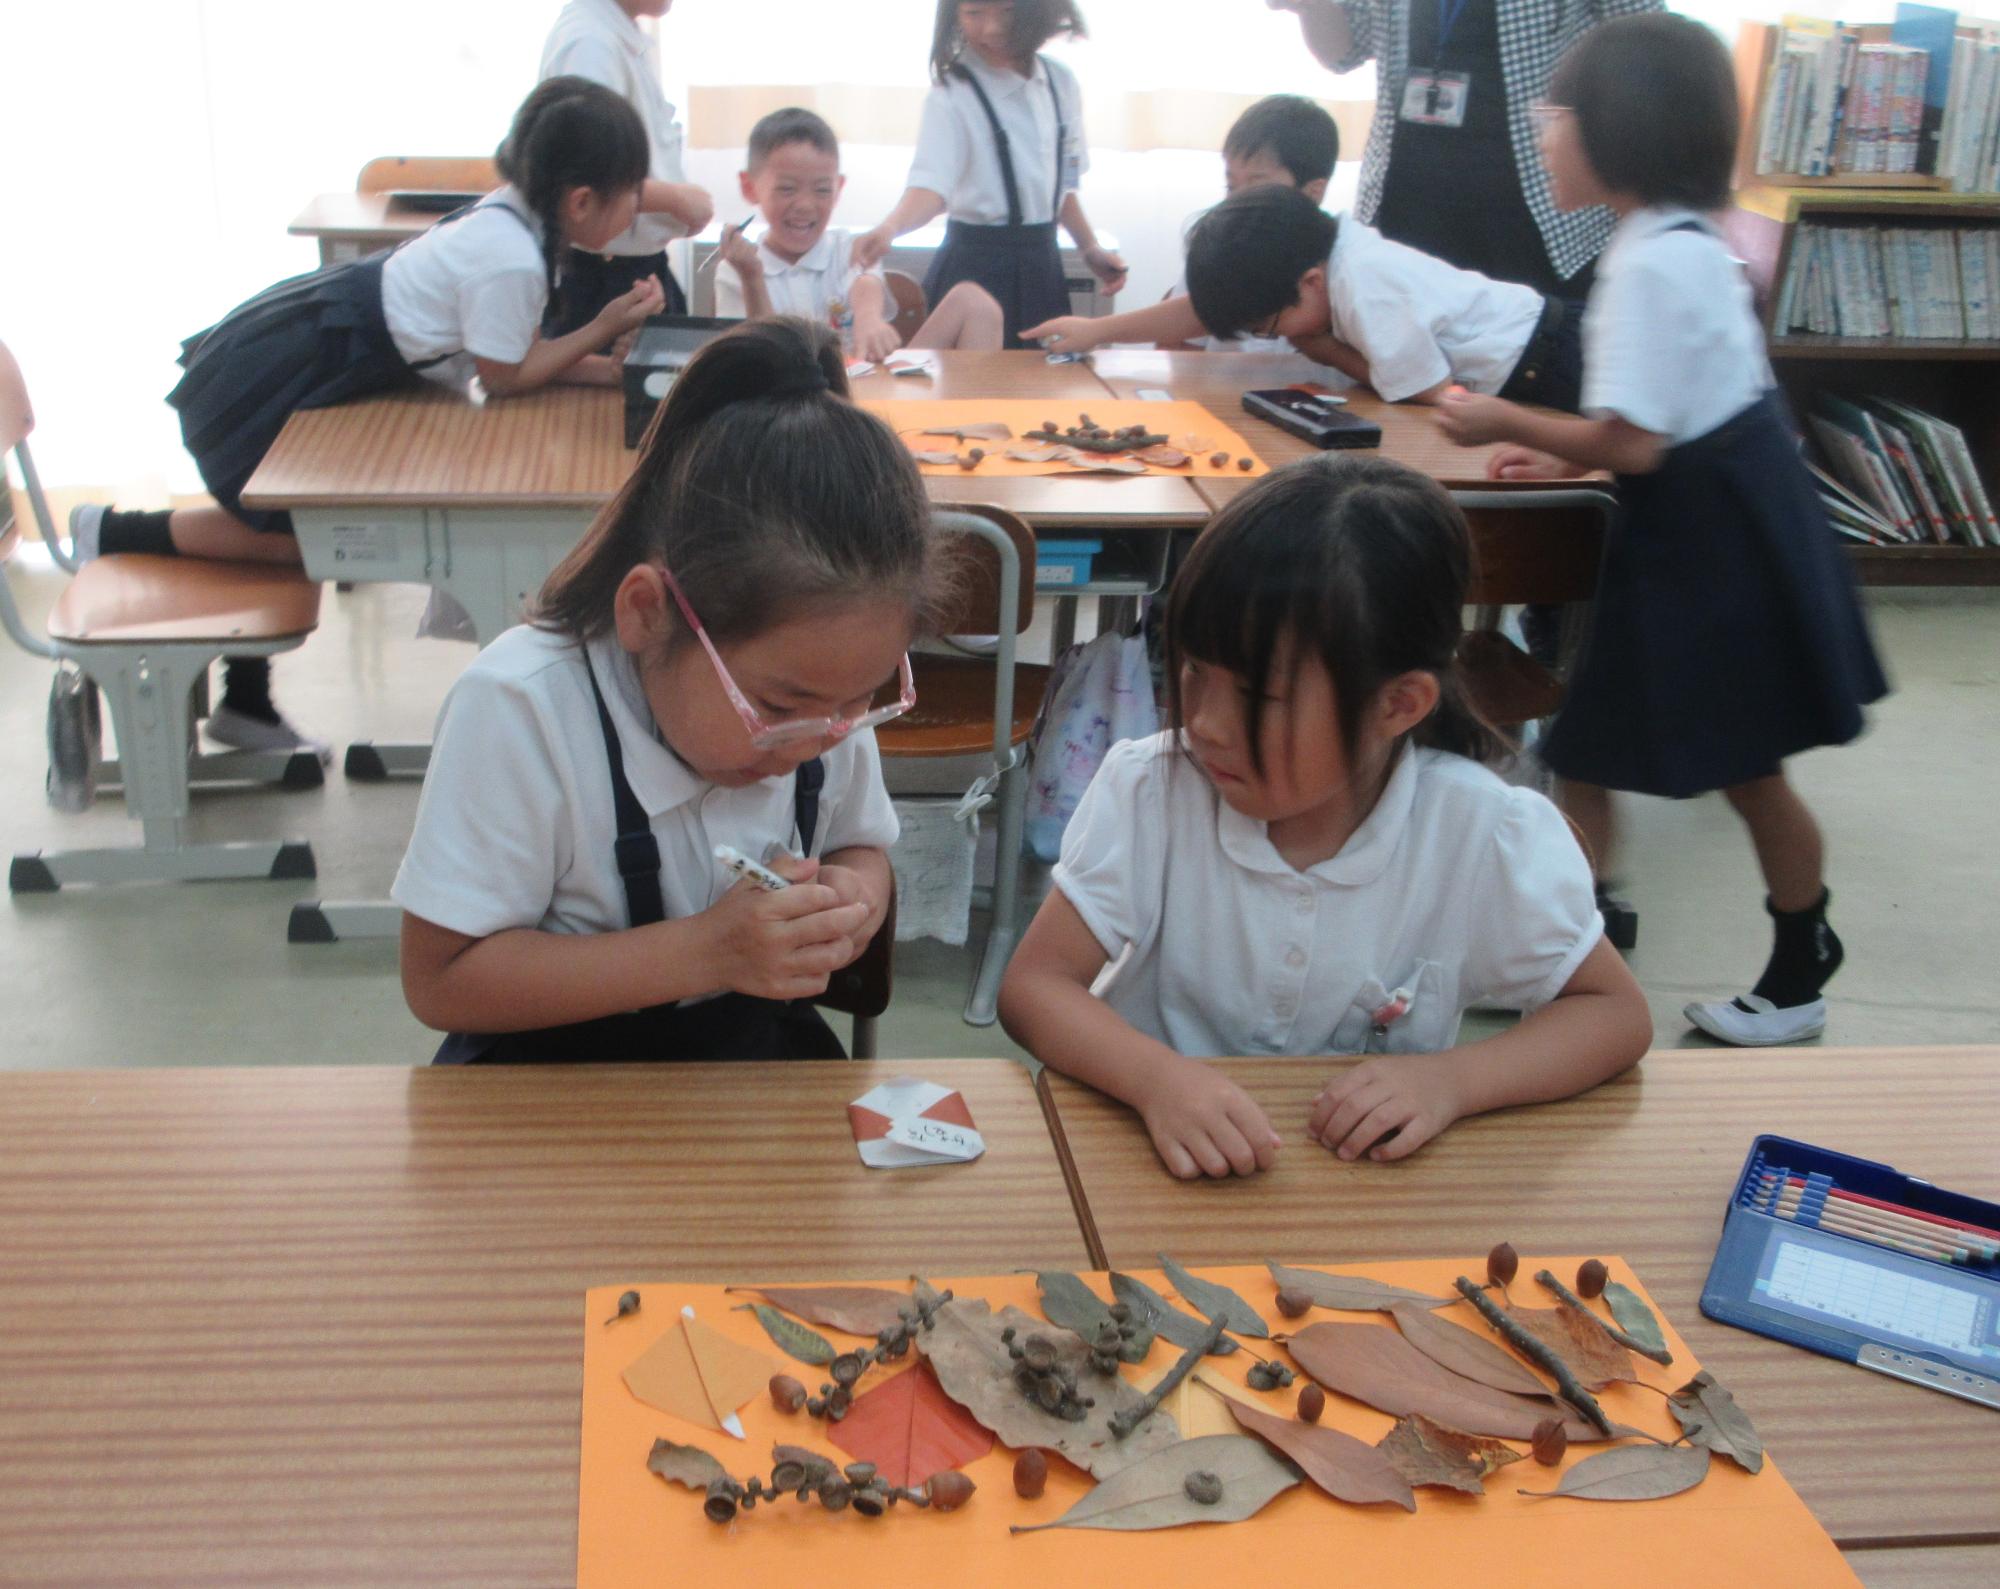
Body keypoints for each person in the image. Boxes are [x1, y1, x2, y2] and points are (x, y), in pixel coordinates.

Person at [997, 454, 1651, 1180]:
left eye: (1258, 696)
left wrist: (1452, 1082)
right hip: (1152, 1170)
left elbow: (1614, 1015)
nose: (1206, 723)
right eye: (1193, 670)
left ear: (1397, 704)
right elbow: (1034, 987)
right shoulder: (1153, 790)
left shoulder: (1481, 832)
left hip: (1366, 1190)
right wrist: (1158, 1079)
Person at [1436, 14, 1888, 1047]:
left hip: (1706, 544)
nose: (1542, 137)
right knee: (1663, 760)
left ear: (1618, 132)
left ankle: (1734, 965)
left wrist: (1503, 418)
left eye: (1556, 118)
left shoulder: (1645, 260)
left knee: (1642, 758)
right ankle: (1668, 955)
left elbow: (1635, 441)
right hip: (1729, 520)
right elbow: (1659, 414)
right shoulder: (1677, 241)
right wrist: (1559, 452)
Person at [395, 318, 950, 1064]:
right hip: (540, 1084)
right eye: (779, 709)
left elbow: (860, 844)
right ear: (647, 613)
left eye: (859, 701)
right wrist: (707, 953)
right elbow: (441, 981)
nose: (820, 739)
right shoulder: (523, 708)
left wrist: (852, 899)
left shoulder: (824, 694)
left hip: (747, 1059)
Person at [68, 78, 661, 759]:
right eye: (632, 197)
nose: (636, 212)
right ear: (581, 201)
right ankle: (113, 535)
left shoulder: (510, 221)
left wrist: (604, 369)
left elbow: (509, 356)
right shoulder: (511, 260)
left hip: (324, 349)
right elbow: (502, 380)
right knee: (300, 535)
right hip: (293, 368)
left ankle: (243, 701)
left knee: (294, 529)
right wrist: (603, 329)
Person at [1264, 0, 1662, 297]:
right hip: (1406, 202)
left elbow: (1648, 42)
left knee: (1530, 379)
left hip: (1537, 212)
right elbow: (1343, 52)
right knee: (1398, 380)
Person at [1113, 183, 1582, 411]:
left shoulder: (1364, 288)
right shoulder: (1330, 254)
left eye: (1269, 329)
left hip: (1555, 361)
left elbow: (1429, 389)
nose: (1278, 338)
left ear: (1311, 283)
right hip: (1537, 352)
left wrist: (1329, 353)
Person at [853, 0, 1126, 349]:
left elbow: (1063, 187)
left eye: (1007, 11)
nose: (991, 28)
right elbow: (931, 188)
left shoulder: (1060, 83)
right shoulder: (952, 95)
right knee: (970, 393)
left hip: (1043, 265)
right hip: (975, 266)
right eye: (974, 13)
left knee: (1041, 388)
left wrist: (1089, 248)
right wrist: (890, 227)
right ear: (954, 16)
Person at [1026, 93, 1340, 360]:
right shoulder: (1224, 245)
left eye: (1258, 186)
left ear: (1314, 191)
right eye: (1231, 186)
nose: (1238, 202)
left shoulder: (1346, 268)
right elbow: (1179, 339)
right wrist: (1095, 331)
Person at [714, 108, 1003, 359]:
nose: (804, 205)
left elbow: (865, 280)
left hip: (868, 395)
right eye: (787, 189)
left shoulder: (848, 246)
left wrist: (868, 319)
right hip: (792, 408)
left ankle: (979, 418)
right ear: (749, 186)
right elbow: (763, 357)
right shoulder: (737, 269)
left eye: (822, 190)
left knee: (974, 302)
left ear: (839, 188)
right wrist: (752, 278)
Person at [538, 0, 714, 333]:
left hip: (633, 270)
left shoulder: (617, 33)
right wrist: (675, 200)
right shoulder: (590, 43)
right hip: (601, 279)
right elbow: (585, 173)